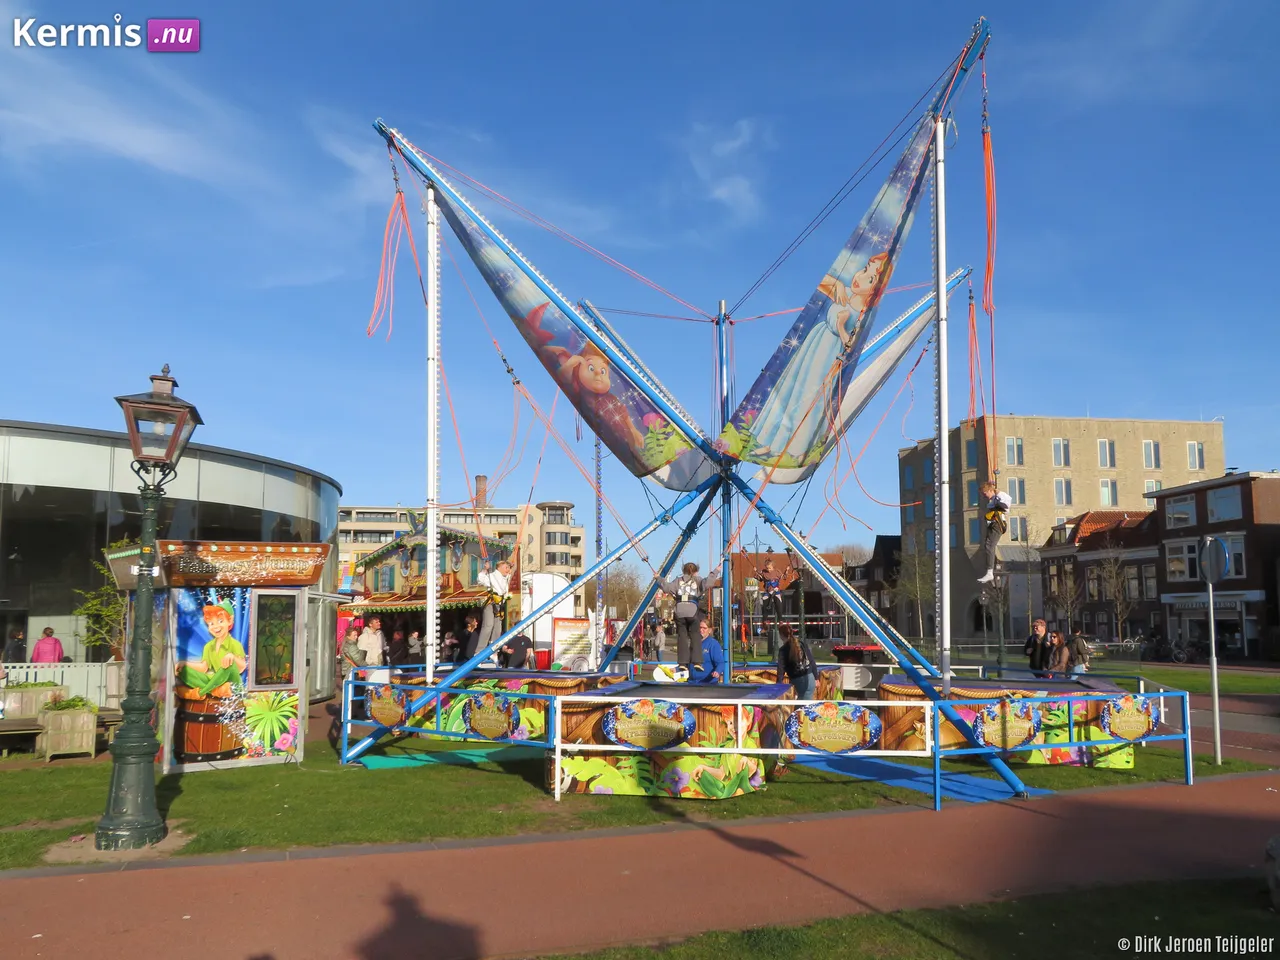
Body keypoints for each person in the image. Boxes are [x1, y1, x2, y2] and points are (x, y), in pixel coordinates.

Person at [657, 562, 720, 672]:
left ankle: (682, 663)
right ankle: (697, 661)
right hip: (692, 610)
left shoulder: (678, 580)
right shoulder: (698, 580)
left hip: (680, 610)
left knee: (682, 636)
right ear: (695, 571)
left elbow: (666, 588)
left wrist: (658, 578)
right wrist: (716, 570)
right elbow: (708, 582)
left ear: (683, 571)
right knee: (695, 635)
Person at [176, 601, 247, 698]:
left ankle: (199, 693)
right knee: (183, 670)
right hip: (216, 682)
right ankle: (218, 690)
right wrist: (184, 663)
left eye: (220, 621)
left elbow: (242, 666)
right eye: (211, 623)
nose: (216, 626)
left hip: (233, 684)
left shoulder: (235, 644)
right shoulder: (208, 646)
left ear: (229, 621)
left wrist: (232, 657)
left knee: (229, 666)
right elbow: (203, 668)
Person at [976, 480, 1012, 585]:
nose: (984, 496)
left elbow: (1006, 505)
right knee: (987, 545)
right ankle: (989, 570)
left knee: (990, 546)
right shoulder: (992, 500)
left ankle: (990, 571)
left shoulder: (1000, 496)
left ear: (990, 490)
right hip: (992, 524)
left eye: (985, 493)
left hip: (997, 524)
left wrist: (997, 497)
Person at [475, 560, 512, 659]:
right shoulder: (492, 576)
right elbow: (480, 579)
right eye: (506, 568)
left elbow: (510, 570)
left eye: (508, 568)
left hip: (500, 605)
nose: (508, 570)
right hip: (491, 603)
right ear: (499, 567)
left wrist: (510, 566)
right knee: (488, 625)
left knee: (498, 628)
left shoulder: (506, 577)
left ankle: (494, 651)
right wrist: (485, 569)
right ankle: (479, 651)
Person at [776, 623, 819, 700]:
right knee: (802, 704)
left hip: (800, 681)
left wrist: (778, 684)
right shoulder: (801, 643)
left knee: (801, 708)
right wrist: (816, 677)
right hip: (810, 677)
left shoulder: (783, 650)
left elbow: (781, 668)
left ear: (781, 635)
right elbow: (811, 660)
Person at [689, 617, 725, 684]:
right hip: (692, 683)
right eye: (700, 627)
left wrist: (717, 671)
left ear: (710, 630)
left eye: (704, 628)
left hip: (708, 684)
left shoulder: (713, 644)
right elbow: (688, 662)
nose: (701, 630)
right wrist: (676, 669)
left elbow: (720, 663)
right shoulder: (693, 643)